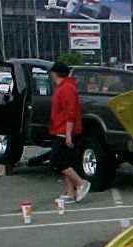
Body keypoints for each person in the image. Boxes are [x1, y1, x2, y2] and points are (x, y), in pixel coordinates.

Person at [48, 62, 90, 203]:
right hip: (60, 129)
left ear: (55, 73)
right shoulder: (62, 87)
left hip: (64, 130)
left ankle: (81, 183)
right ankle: (70, 192)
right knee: (66, 162)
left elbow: (70, 112)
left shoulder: (66, 88)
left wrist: (68, 134)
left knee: (58, 160)